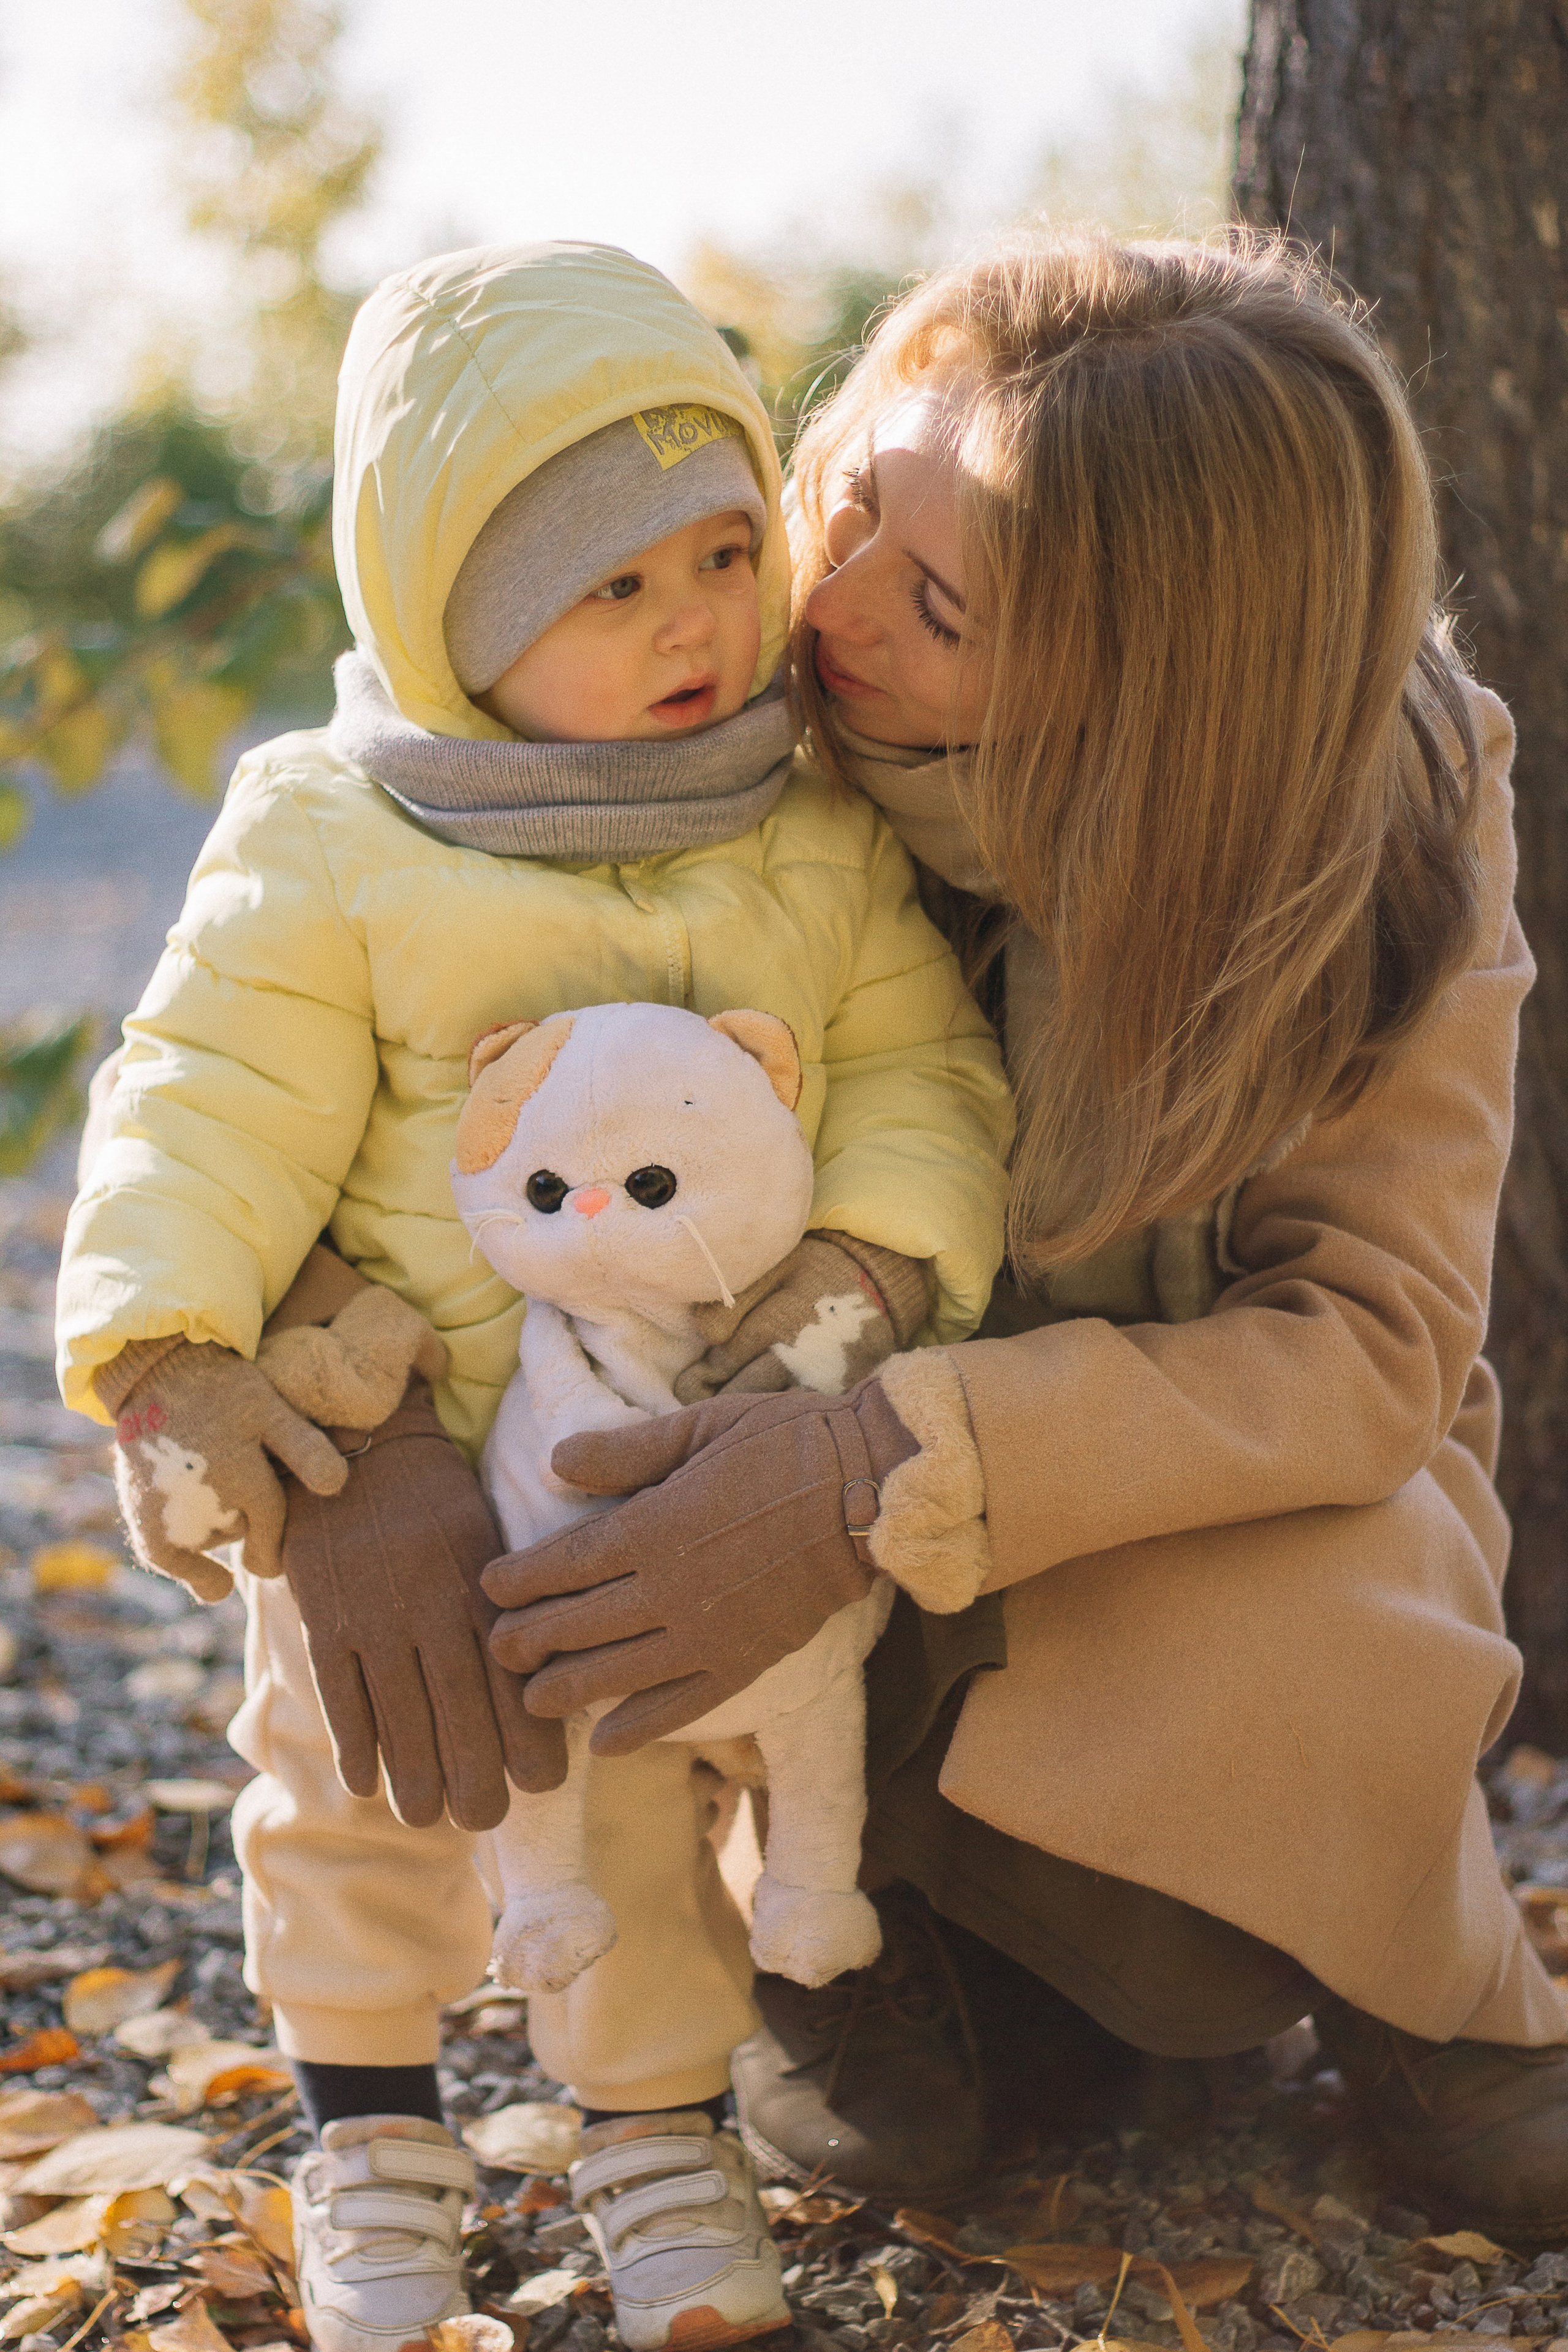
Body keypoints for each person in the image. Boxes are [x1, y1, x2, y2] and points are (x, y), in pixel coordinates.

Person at [481, 230, 1568, 2245]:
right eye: (855, 501)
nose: (835, 607)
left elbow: (1371, 1341)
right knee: (947, 2117)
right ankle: (867, 1915)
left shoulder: (1383, 805)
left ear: (1150, 692)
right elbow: (400, 1041)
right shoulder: (705, 710)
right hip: (795, 1559)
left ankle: (1424, 1980)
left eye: (948, 605)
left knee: (1346, 1570)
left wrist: (887, 1463)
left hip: (1189, 1531)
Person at [54, 241, 1013, 2352]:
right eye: (611, 587)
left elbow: (924, 1071)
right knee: (352, 1794)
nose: (697, 620)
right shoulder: (337, 831)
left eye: (722, 549)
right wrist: (178, 1350)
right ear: (456, 617)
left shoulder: (809, 826)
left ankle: (654, 2123)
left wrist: (868, 1259)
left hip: (645, 1447)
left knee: (653, 1796)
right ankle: (373, 2126)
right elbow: (208, 1094)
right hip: (388, 1441)